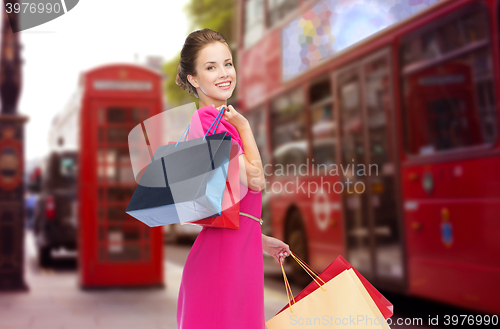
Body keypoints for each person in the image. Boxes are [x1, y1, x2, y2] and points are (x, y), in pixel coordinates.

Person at [174, 29, 292, 329]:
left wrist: (260, 240)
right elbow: (255, 180)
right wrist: (247, 127)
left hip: (237, 257)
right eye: (211, 67)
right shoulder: (209, 122)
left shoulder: (220, 123)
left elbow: (227, 207)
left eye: (227, 63)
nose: (224, 73)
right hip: (222, 266)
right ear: (194, 79)